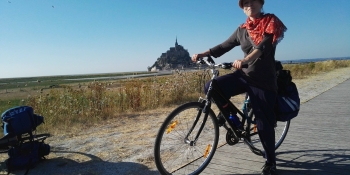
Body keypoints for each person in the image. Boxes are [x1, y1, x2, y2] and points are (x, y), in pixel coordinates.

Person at [191, 0, 287, 175]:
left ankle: (271, 162)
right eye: (245, 3)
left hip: (263, 81)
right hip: (244, 76)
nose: (249, 5)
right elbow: (223, 46)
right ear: (242, 9)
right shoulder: (242, 29)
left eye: (253, 1)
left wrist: (244, 60)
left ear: (261, 3)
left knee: (263, 122)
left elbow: (262, 47)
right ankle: (231, 116)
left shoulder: (271, 21)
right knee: (211, 87)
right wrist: (204, 53)